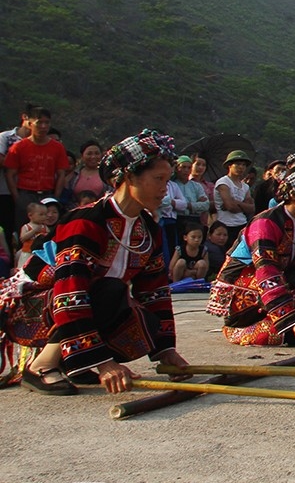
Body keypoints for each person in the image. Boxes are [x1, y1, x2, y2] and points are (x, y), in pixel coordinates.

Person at [0, 130, 191, 395]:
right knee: (109, 290)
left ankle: (72, 361)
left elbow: (154, 291)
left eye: (168, 180)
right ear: (127, 177)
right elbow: (70, 292)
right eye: (158, 179)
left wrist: (166, 351)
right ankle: (41, 364)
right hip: (35, 305)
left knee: (145, 320)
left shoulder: (148, 229)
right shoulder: (85, 222)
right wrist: (103, 363)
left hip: (82, 303)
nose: (164, 189)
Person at [207, 163, 295, 346]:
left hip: (277, 278)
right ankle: (250, 329)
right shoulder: (265, 223)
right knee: (282, 333)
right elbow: (267, 273)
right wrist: (292, 319)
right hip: (245, 286)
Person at [4, 108, 71, 231]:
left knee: (49, 231)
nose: (43, 126)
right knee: (25, 231)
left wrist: (55, 196)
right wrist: (17, 197)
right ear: (29, 123)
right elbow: (10, 174)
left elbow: (61, 173)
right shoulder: (19, 147)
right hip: (26, 194)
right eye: (39, 123)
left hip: (48, 193)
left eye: (47, 123)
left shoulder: (57, 147)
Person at [213, 150, 255, 245]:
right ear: (230, 165)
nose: (241, 167)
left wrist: (236, 203)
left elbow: (251, 208)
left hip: (242, 224)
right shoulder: (223, 182)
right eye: (238, 164)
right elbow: (230, 207)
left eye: (244, 165)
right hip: (225, 225)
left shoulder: (245, 186)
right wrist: (242, 205)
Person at [59, 140, 110, 210]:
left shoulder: (107, 175)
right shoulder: (73, 175)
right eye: (89, 154)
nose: (93, 157)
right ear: (82, 156)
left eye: (97, 153)